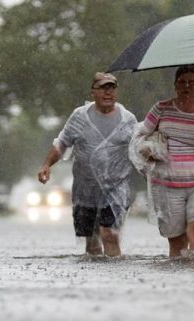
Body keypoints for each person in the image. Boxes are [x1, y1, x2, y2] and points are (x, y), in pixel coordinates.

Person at [129, 65, 194, 257]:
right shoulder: (161, 108)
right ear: (175, 85)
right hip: (167, 182)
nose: (187, 86)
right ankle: (180, 284)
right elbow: (139, 137)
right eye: (182, 82)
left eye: (191, 82)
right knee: (177, 243)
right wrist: (147, 151)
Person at [38, 72, 137, 257]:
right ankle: (94, 280)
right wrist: (46, 165)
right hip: (86, 190)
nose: (108, 93)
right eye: (103, 88)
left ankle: (115, 276)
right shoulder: (79, 117)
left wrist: (151, 170)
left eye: (112, 88)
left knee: (109, 234)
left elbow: (138, 149)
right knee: (92, 242)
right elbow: (62, 143)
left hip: (115, 188)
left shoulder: (128, 120)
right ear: (93, 92)